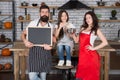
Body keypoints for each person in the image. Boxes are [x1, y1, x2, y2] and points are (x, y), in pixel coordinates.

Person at [21, 4, 55, 80]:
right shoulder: (33, 23)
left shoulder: (51, 26)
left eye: (46, 12)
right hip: (34, 53)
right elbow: (23, 34)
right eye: (43, 12)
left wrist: (51, 47)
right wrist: (25, 41)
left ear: (49, 14)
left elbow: (54, 40)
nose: (45, 14)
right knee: (32, 77)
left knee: (43, 78)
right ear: (39, 13)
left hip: (45, 53)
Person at [72, 11, 108, 80]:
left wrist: (93, 48)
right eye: (86, 18)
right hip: (82, 57)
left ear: (93, 18)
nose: (87, 20)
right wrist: (73, 35)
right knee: (79, 77)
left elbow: (105, 42)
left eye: (89, 18)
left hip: (90, 57)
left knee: (90, 77)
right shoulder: (82, 28)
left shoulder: (95, 29)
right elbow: (77, 41)